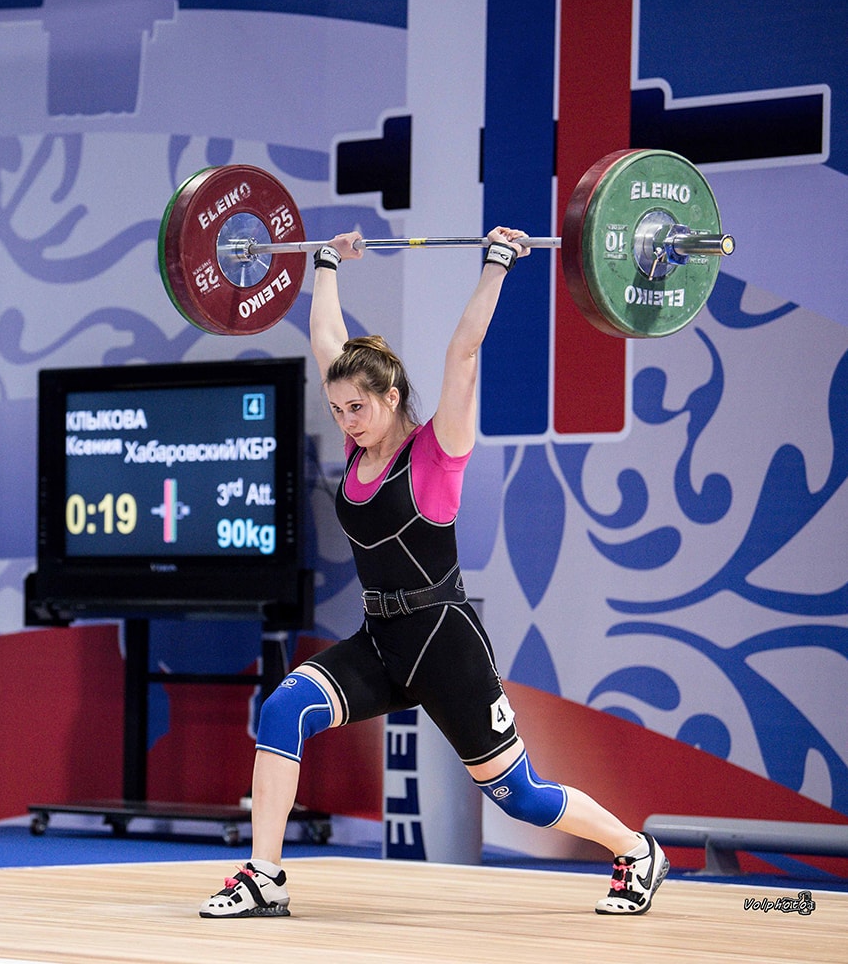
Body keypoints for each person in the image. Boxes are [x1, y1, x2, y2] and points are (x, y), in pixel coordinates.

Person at [199, 227, 669, 918]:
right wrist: (326, 262)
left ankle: (635, 849)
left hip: (445, 644)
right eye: (337, 409)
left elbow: (463, 352)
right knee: (283, 708)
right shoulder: (356, 440)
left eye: (357, 407)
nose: (346, 420)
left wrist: (497, 263)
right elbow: (327, 340)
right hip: (382, 642)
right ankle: (264, 876)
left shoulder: (437, 452)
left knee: (521, 795)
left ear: (391, 397)